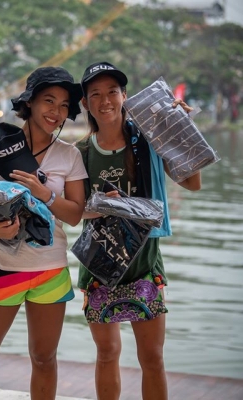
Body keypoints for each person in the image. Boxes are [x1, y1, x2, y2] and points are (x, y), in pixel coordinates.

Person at [0, 66, 88, 400]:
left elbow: (75, 214)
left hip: (50, 270)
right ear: (29, 103)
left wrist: (46, 195)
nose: (56, 111)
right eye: (48, 101)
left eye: (64, 105)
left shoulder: (69, 155)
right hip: (1, 267)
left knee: (44, 358)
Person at [75, 61, 201, 400]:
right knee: (106, 354)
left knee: (153, 358)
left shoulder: (149, 142)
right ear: (85, 104)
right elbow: (73, 212)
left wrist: (181, 130)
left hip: (145, 264)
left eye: (113, 92)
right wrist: (102, 205)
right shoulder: (81, 153)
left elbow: (192, 182)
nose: (105, 101)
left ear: (125, 96)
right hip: (100, 266)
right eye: (96, 94)